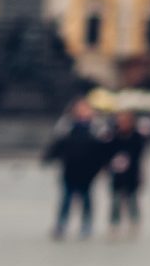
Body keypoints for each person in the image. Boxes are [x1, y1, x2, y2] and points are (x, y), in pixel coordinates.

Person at [43, 99, 111, 241]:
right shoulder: (66, 125)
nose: (83, 111)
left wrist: (104, 165)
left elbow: (104, 148)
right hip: (70, 167)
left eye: (86, 108)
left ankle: (86, 225)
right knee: (66, 198)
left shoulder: (97, 127)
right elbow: (57, 144)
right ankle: (61, 224)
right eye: (80, 108)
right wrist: (49, 157)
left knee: (86, 198)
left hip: (88, 169)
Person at [106, 111, 148, 237]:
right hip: (117, 175)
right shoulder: (113, 136)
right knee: (116, 201)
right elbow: (107, 153)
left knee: (132, 201)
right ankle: (114, 224)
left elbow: (139, 156)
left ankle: (134, 223)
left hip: (131, 174)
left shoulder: (137, 137)